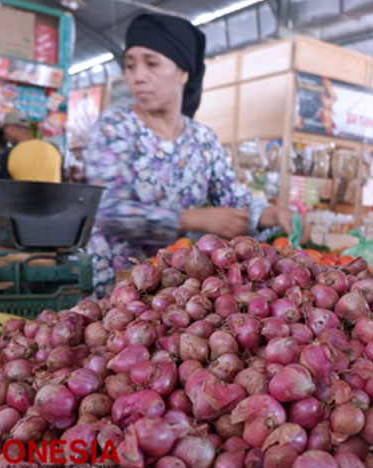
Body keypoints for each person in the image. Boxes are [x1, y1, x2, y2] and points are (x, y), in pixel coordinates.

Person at [84, 13, 307, 294]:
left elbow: (230, 195)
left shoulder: (202, 139)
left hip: (177, 287)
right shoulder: (114, 129)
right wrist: (191, 219)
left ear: (183, 72)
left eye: (151, 63)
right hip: (117, 285)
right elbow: (109, 211)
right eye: (130, 66)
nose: (138, 76)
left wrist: (270, 213)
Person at [0, 111, 32, 179]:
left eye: (4, 129)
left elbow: (1, 183)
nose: (4, 134)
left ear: (11, 129)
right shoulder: (45, 150)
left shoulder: (8, 154)